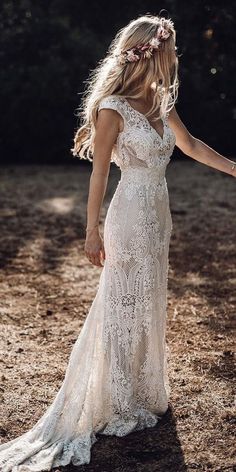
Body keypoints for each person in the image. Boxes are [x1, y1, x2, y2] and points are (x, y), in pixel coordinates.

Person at [0, 13, 235, 472]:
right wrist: (92, 229)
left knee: (147, 300)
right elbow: (100, 172)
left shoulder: (161, 100)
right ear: (148, 52)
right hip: (127, 215)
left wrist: (233, 168)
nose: (173, 58)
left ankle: (142, 390)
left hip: (158, 215)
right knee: (122, 302)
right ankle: (116, 400)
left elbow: (189, 145)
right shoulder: (112, 107)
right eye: (167, 50)